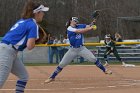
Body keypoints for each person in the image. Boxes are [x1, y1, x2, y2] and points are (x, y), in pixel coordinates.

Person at [44, 17, 112, 83]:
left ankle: (105, 70)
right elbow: (80, 31)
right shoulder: (69, 28)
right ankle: (52, 77)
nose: (76, 22)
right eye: (75, 20)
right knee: (62, 64)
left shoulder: (79, 25)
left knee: (93, 58)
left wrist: (92, 23)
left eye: (77, 21)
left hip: (81, 49)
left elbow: (88, 25)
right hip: (72, 50)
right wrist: (90, 28)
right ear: (71, 21)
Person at [0, 0, 49, 92]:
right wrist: (36, 41)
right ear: (37, 13)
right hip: (7, 51)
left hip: (8, 50)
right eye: (42, 12)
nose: (43, 14)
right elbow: (30, 46)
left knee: (23, 76)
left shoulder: (23, 21)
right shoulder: (33, 24)